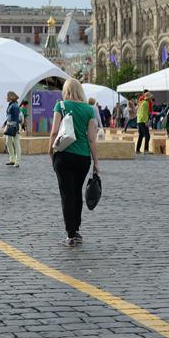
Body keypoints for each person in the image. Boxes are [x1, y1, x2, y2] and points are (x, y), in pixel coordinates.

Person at [48, 79, 99, 247]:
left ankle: (70, 234)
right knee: (77, 193)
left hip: (64, 154)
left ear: (66, 90)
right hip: (83, 156)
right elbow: (92, 138)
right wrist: (96, 162)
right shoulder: (89, 109)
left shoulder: (60, 106)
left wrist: (50, 150)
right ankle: (76, 229)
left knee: (66, 194)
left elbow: (55, 131)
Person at [4, 91, 22, 168]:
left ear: (10, 96)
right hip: (9, 125)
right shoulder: (11, 104)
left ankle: (17, 161)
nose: (6, 97)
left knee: (16, 143)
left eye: (7, 96)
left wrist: (17, 128)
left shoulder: (14, 106)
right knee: (8, 142)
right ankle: (12, 159)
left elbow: (16, 118)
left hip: (14, 126)